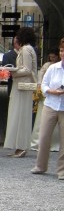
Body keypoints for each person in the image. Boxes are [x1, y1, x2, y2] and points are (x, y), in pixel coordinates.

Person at [31, 42, 64, 180]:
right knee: (44, 137)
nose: (62, 53)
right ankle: (40, 165)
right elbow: (43, 84)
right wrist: (50, 91)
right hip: (50, 104)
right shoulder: (53, 68)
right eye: (61, 50)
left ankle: (62, 171)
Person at [3, 27, 38, 158]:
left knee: (21, 115)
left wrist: (13, 72)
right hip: (22, 85)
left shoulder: (25, 49)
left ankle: (22, 146)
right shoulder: (29, 49)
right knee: (19, 115)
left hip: (22, 86)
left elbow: (27, 70)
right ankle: (19, 146)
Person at [30, 48, 60, 152]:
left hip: (58, 93)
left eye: (54, 57)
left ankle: (55, 142)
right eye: (50, 57)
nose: (52, 59)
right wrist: (42, 89)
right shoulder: (46, 65)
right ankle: (39, 142)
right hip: (47, 94)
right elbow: (40, 78)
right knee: (42, 120)